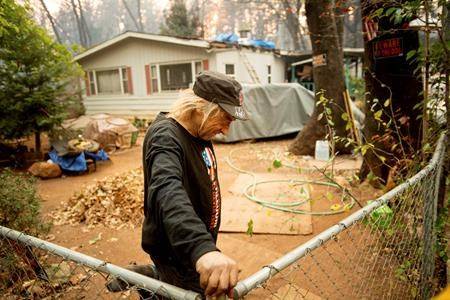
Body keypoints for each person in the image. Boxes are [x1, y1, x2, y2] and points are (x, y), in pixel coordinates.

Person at [141, 71, 249, 298]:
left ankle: (152, 278)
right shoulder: (165, 137)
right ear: (201, 107)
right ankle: (155, 280)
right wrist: (202, 249)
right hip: (179, 253)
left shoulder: (199, 131)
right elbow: (166, 191)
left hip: (192, 243)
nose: (226, 130)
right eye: (225, 119)